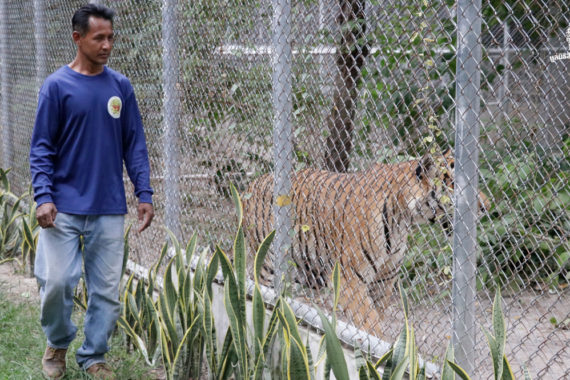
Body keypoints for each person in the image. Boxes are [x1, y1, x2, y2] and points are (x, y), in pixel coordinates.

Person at [29, 4, 154, 379]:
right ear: (77, 38)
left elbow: (135, 144)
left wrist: (143, 193)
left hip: (108, 208)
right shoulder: (56, 87)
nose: (107, 45)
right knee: (58, 282)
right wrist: (43, 195)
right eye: (99, 37)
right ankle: (58, 342)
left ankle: (94, 356)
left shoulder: (121, 87)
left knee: (106, 293)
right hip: (62, 206)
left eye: (111, 37)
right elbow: (41, 148)